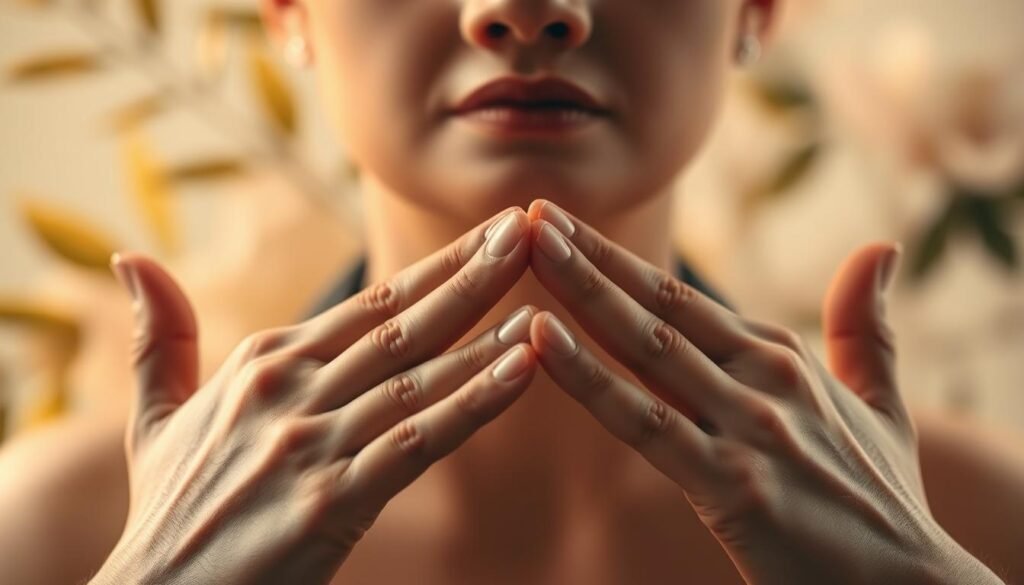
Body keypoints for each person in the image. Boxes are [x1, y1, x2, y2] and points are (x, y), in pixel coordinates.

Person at [0, 0, 1021, 583]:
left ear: (757, 8)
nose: (528, 11)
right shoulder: (50, 535)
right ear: (287, 10)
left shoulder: (986, 523)